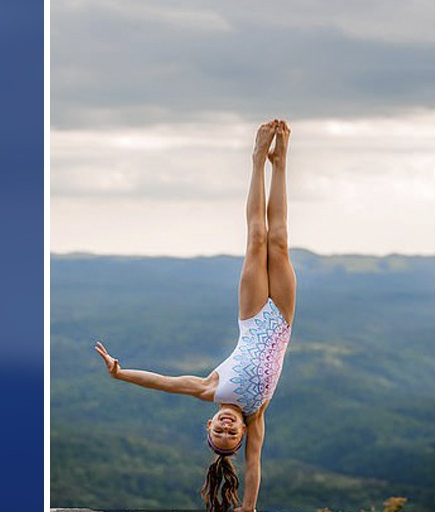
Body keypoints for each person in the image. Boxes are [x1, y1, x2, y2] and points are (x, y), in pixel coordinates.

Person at [94, 119, 297, 512]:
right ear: (241, 432)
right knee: (280, 241)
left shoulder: (210, 389)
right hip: (283, 318)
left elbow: (163, 382)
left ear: (209, 424)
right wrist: (248, 507)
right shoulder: (257, 415)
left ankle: (258, 161)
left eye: (218, 432)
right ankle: (281, 163)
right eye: (230, 435)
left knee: (257, 238)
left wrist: (121, 373)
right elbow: (254, 465)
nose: (225, 429)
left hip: (254, 315)